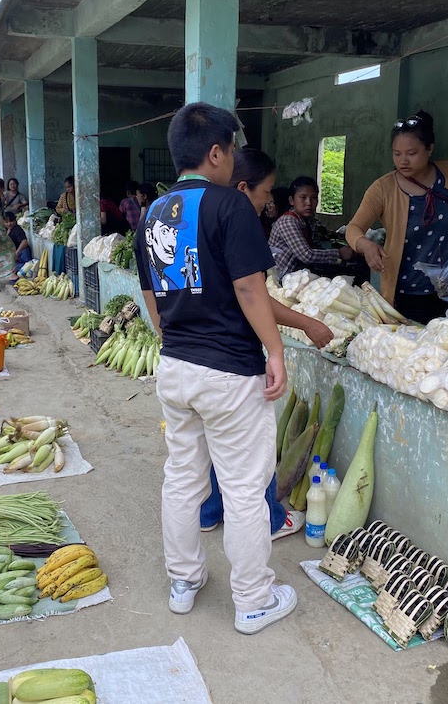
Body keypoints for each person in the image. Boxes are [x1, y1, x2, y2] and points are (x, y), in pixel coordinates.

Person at [134, 102, 297, 635]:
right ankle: (252, 601)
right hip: (229, 371)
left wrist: (177, 340)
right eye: (230, 150)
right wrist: (275, 350)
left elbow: (150, 298)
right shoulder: (231, 206)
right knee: (246, 488)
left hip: (176, 367)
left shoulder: (153, 214)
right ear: (215, 152)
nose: (232, 161)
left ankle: (184, 582)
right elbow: (251, 289)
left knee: (182, 477)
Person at [199, 148, 335, 541]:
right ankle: (271, 521)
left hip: (194, 356)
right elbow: (252, 293)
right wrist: (298, 331)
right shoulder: (238, 222)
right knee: (250, 452)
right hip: (233, 356)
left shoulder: (194, 215)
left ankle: (209, 511)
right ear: (244, 188)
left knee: (210, 442)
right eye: (267, 192)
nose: (268, 201)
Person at [345, 111, 448, 324]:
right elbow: (354, 228)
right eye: (397, 153)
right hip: (410, 290)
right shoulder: (383, 189)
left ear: (429, 149)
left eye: (411, 153)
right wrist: (365, 245)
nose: (403, 161)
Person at [268, 176, 362, 281]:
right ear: (291, 200)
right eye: (303, 197)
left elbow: (316, 246)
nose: (309, 203)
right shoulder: (288, 221)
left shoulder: (307, 221)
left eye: (313, 198)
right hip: (280, 280)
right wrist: (339, 253)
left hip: (296, 277)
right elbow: (306, 255)